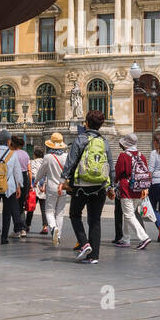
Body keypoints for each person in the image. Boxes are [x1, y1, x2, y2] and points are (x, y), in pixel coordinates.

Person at [61, 111, 111, 264]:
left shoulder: (80, 139)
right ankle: (94, 256)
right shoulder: (104, 141)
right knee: (95, 221)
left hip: (81, 185)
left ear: (87, 123)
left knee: (75, 215)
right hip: (100, 186)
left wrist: (64, 179)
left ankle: (84, 243)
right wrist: (112, 186)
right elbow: (110, 164)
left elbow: (71, 161)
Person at [113, 134, 152, 249]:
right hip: (139, 187)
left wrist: (114, 183)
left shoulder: (123, 155)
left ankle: (144, 237)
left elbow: (118, 172)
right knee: (129, 213)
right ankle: (126, 239)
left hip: (126, 187)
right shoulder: (141, 155)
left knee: (128, 214)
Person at [40, 134, 69, 246]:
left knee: (49, 211)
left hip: (52, 187)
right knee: (60, 213)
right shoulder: (66, 157)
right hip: (64, 187)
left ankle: (53, 228)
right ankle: (59, 235)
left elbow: (41, 171)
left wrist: (37, 181)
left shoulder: (48, 157)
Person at [9, 137, 31, 239]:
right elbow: (29, 170)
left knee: (14, 206)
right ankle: (23, 229)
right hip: (25, 178)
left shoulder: (11, 154)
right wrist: (30, 183)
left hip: (14, 178)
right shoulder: (25, 154)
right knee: (21, 206)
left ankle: (17, 229)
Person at [28, 145, 48, 233]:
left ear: (34, 154)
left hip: (35, 187)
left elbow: (33, 174)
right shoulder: (46, 162)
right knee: (44, 209)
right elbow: (47, 174)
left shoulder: (32, 162)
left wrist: (36, 184)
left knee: (31, 207)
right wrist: (43, 185)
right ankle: (45, 226)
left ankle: (27, 225)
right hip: (44, 188)